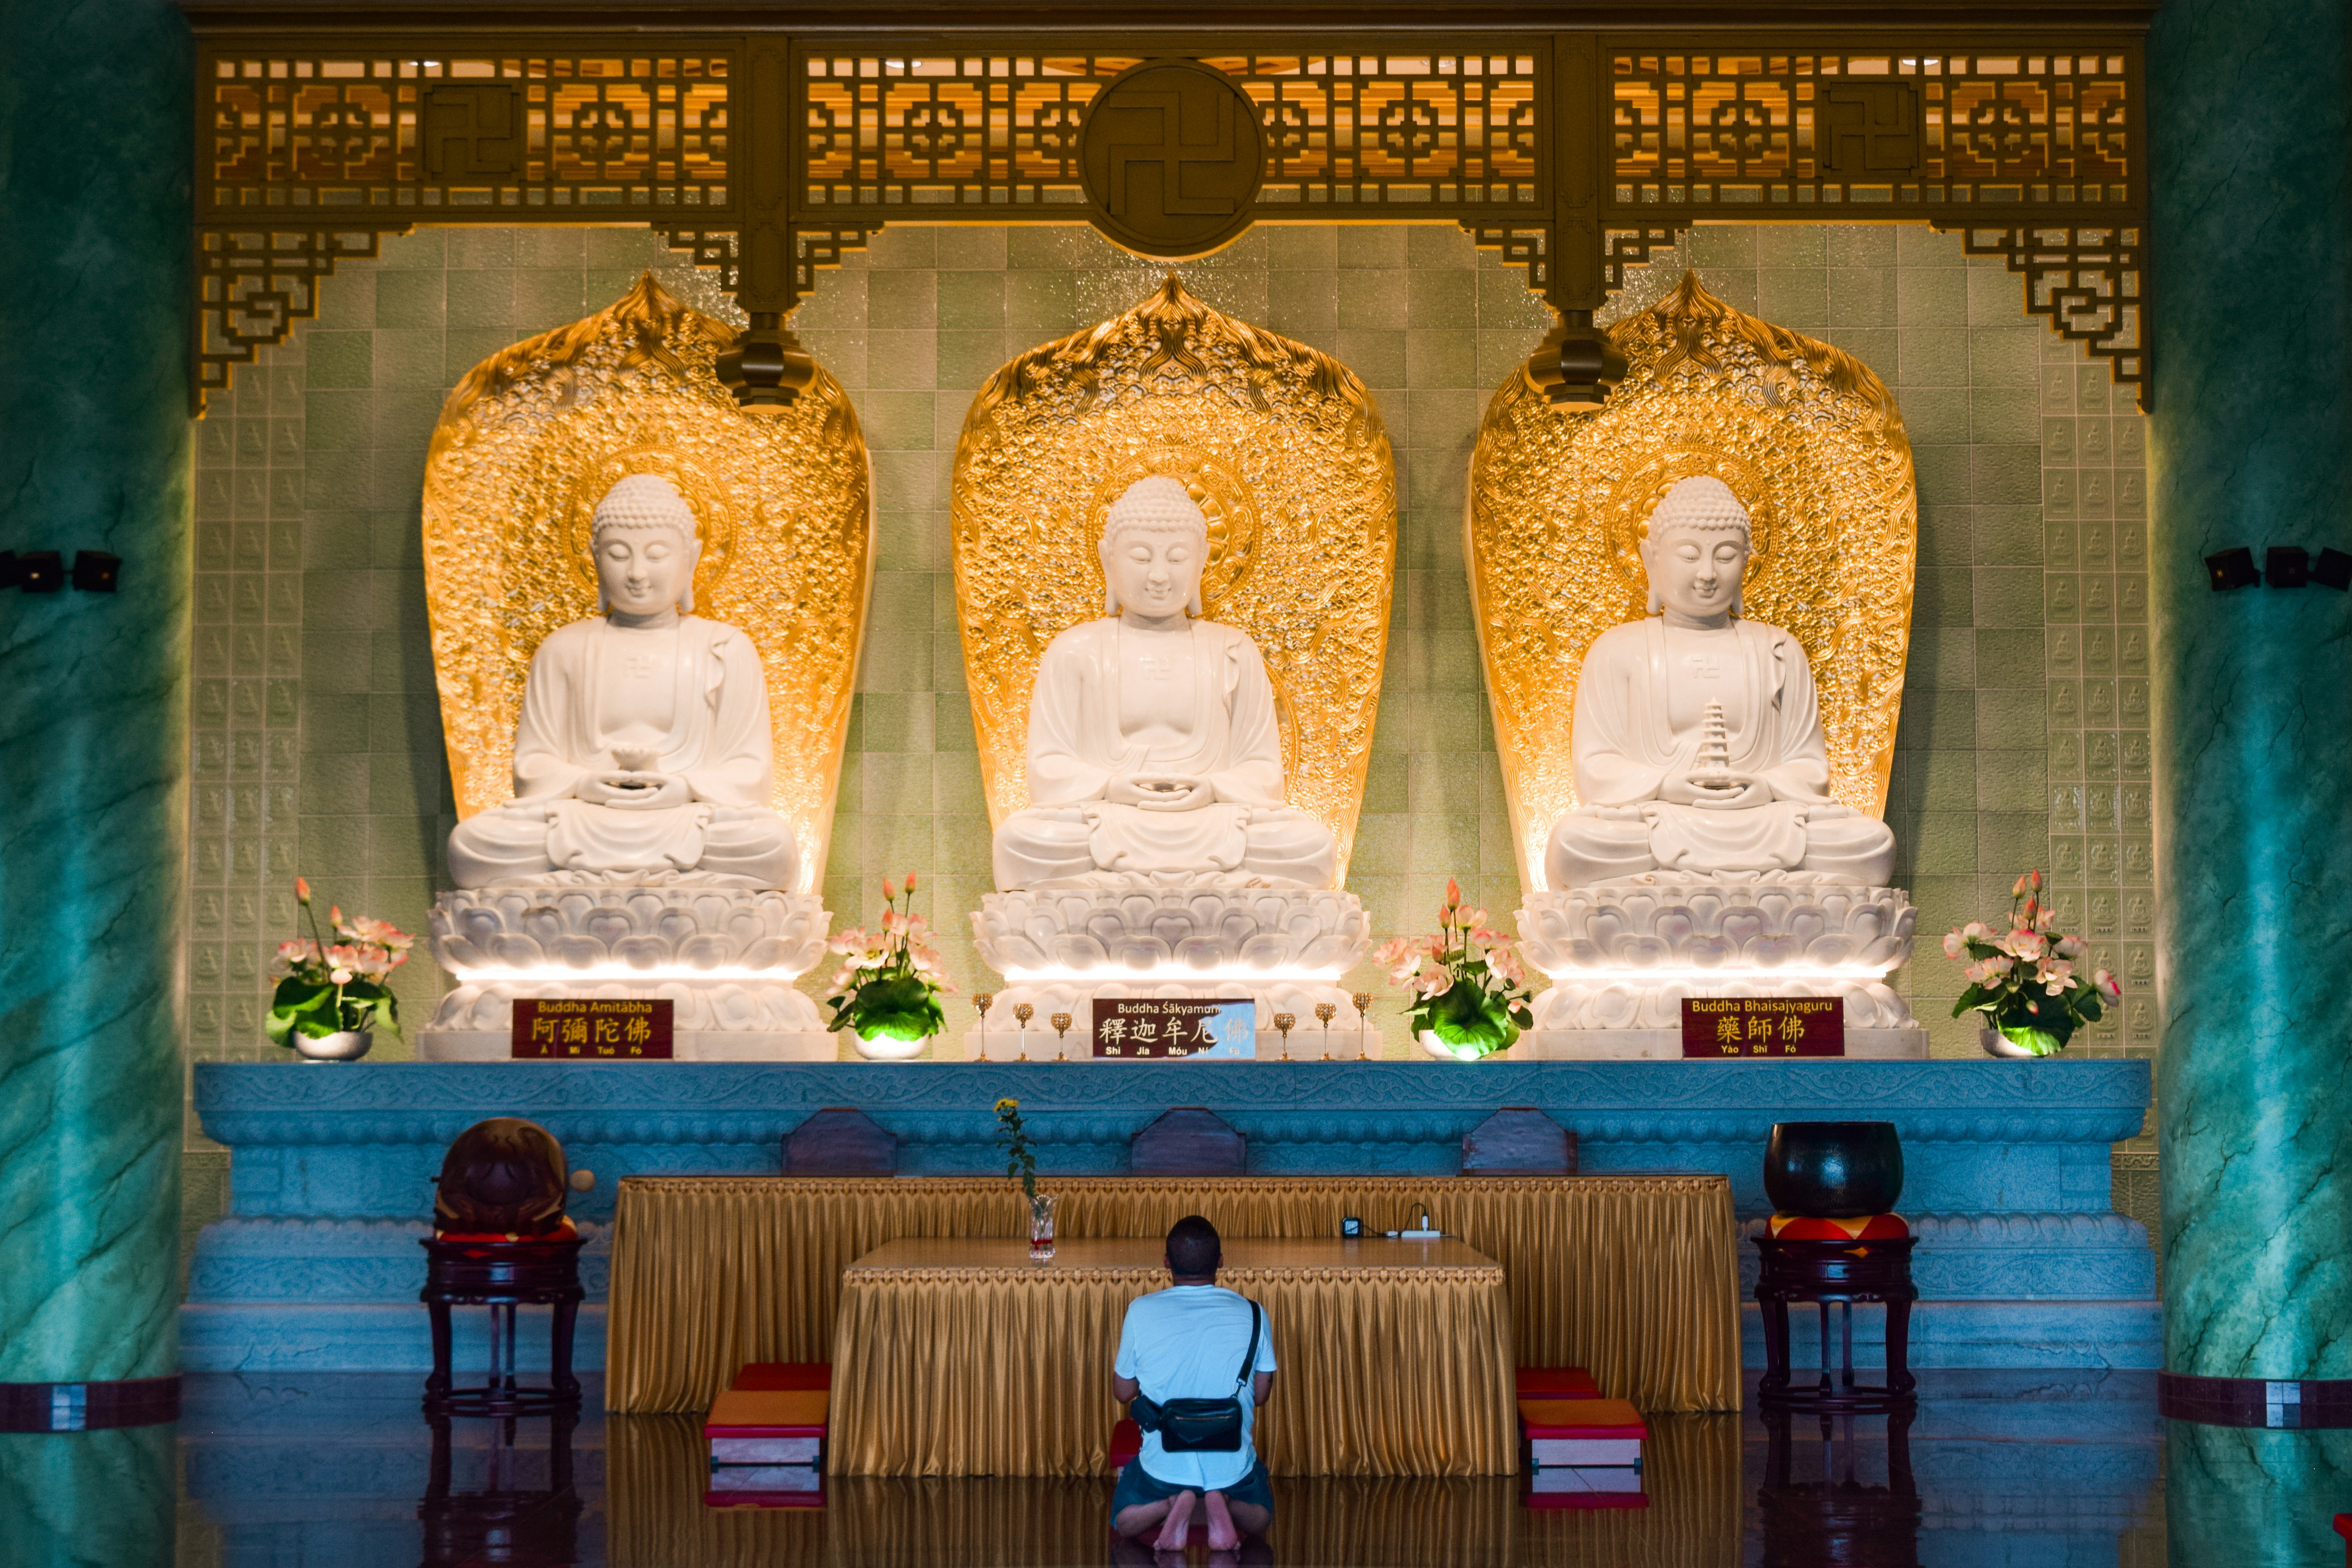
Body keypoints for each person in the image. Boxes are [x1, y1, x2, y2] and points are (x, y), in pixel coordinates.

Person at [445, 473, 799, 890]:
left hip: (689, 817)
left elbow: (750, 770)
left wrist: (683, 787)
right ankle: (679, 891)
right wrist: (583, 783)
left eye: (656, 555)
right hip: (581, 816)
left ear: (692, 557)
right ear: (595, 558)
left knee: (772, 845)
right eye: (617, 554)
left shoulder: (726, 648)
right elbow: (532, 765)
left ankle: (574, 892)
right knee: (472, 844)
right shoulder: (563, 648)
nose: (636, 572)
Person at [1545, 474, 1895, 889]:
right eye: (1689, 555)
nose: (1708, 573)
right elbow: (1595, 766)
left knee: (1871, 844)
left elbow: (1809, 765)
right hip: (1655, 819)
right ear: (1650, 558)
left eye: (1726, 555)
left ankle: (1672, 890)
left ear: (1746, 560)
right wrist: (1665, 786)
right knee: (1574, 844)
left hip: (1764, 819)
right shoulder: (1616, 650)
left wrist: (1765, 786)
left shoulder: (1778, 648)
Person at [990, 476, 1335, 890]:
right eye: (1140, 556)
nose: (1158, 575)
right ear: (1107, 559)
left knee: (1311, 845)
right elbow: (1047, 767)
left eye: (1176, 558)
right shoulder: (1074, 650)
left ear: (1203, 558)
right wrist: (1113, 787)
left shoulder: (1234, 650)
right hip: (1107, 817)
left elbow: (1263, 771)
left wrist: (1211, 788)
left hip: (1214, 820)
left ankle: (1114, 893)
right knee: (1020, 840)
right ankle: (1213, 893)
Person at [1110, 1215, 1278, 1553]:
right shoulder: (1255, 1313)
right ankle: (1222, 1501)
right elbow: (1261, 1396)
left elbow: (1123, 1391)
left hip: (1164, 1463)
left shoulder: (1140, 1311)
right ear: (1220, 1262)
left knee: (1124, 1520)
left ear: (1166, 1264)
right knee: (1261, 1517)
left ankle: (1171, 1502)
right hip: (1231, 1464)